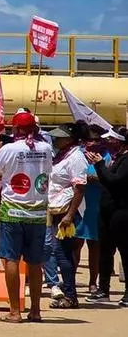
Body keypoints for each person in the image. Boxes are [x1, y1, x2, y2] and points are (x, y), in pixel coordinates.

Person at [0, 111, 53, 323]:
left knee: (11, 259)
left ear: (16, 129)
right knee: (35, 262)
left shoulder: (9, 149)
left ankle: (15, 311)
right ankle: (35, 311)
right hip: (38, 214)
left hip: (12, 212)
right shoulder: (46, 148)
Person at [45, 124, 86, 309]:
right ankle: (69, 293)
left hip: (67, 211)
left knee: (63, 254)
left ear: (69, 139)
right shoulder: (63, 155)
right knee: (60, 253)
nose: (56, 140)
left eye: (60, 137)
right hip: (56, 208)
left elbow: (79, 188)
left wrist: (69, 215)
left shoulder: (76, 157)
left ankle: (70, 295)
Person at [87, 126, 128, 305]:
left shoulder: (126, 160)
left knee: (125, 251)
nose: (108, 142)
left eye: (111, 139)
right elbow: (106, 179)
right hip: (107, 211)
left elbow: (114, 180)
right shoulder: (116, 158)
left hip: (121, 212)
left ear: (120, 142)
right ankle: (103, 290)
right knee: (105, 251)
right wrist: (99, 166)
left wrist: (100, 164)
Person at [73, 127, 104, 296]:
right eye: (90, 140)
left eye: (97, 140)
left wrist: (95, 176)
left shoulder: (105, 156)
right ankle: (70, 280)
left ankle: (93, 282)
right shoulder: (77, 154)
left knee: (94, 246)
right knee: (75, 245)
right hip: (78, 204)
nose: (93, 143)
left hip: (96, 205)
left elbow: (109, 176)